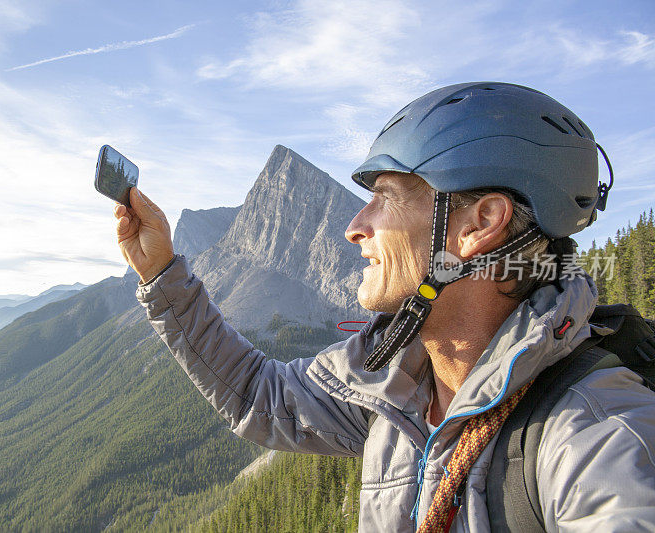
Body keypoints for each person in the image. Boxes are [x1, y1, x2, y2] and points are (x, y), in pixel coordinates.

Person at [114, 82, 655, 532]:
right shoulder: (396, 385)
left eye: (388, 197)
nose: (354, 227)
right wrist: (163, 275)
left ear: (480, 224)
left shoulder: (593, 433)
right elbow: (260, 395)